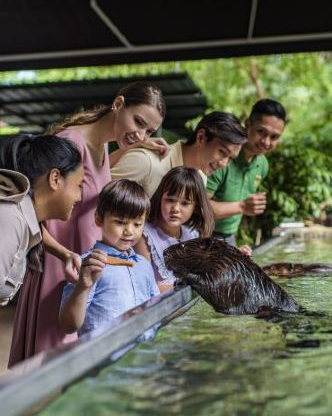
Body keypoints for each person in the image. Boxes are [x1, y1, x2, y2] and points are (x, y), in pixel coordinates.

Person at [9, 81, 166, 366]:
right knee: (49, 369)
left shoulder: (103, 147)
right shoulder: (70, 142)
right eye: (138, 122)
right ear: (118, 104)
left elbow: (96, 176)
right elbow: (30, 209)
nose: (141, 133)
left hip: (85, 269)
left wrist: (138, 143)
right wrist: (64, 254)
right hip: (59, 270)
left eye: (149, 130)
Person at [60, 179, 159, 335]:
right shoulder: (88, 265)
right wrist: (82, 287)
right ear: (99, 219)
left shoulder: (144, 265)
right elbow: (68, 326)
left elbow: (156, 311)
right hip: (105, 355)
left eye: (137, 224)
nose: (129, 231)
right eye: (120, 222)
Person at [0, 134, 83, 306]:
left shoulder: (22, 217)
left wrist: (66, 254)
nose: (80, 197)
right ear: (55, 179)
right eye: (78, 186)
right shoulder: (11, 219)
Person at [207, 99, 287, 250]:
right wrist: (242, 207)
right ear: (248, 124)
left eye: (274, 137)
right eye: (261, 132)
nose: (266, 142)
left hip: (229, 236)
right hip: (201, 234)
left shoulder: (262, 164)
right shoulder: (224, 157)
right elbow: (198, 209)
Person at [110, 111, 248, 197]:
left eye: (230, 159)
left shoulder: (200, 179)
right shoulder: (145, 161)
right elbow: (96, 203)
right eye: (222, 152)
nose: (224, 164)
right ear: (201, 137)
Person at [136, 166, 214, 292]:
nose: (175, 209)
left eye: (185, 203)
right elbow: (144, 288)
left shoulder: (192, 235)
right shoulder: (144, 236)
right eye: (170, 200)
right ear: (160, 198)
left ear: (195, 206)